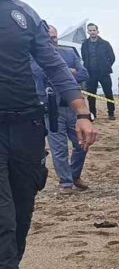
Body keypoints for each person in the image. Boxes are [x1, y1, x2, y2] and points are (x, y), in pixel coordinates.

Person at [1, 0, 99, 269]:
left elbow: (54, 65)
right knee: (1, 218)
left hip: (26, 127)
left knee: (22, 211)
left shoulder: (21, 13)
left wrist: (81, 112)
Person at [31, 25, 90, 193]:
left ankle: (74, 174)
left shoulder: (70, 52)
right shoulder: (33, 56)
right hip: (51, 108)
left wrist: (62, 71)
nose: (53, 41)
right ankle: (66, 181)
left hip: (73, 107)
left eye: (55, 37)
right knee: (59, 148)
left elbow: (84, 74)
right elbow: (41, 74)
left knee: (82, 144)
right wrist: (68, 71)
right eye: (49, 38)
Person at [81, 22, 117, 120]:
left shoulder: (105, 44)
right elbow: (84, 57)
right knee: (91, 94)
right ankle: (93, 114)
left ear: (97, 31)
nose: (92, 32)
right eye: (90, 30)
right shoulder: (85, 44)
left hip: (103, 72)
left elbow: (112, 57)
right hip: (91, 73)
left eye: (94, 30)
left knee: (108, 93)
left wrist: (106, 66)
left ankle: (111, 113)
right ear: (88, 31)